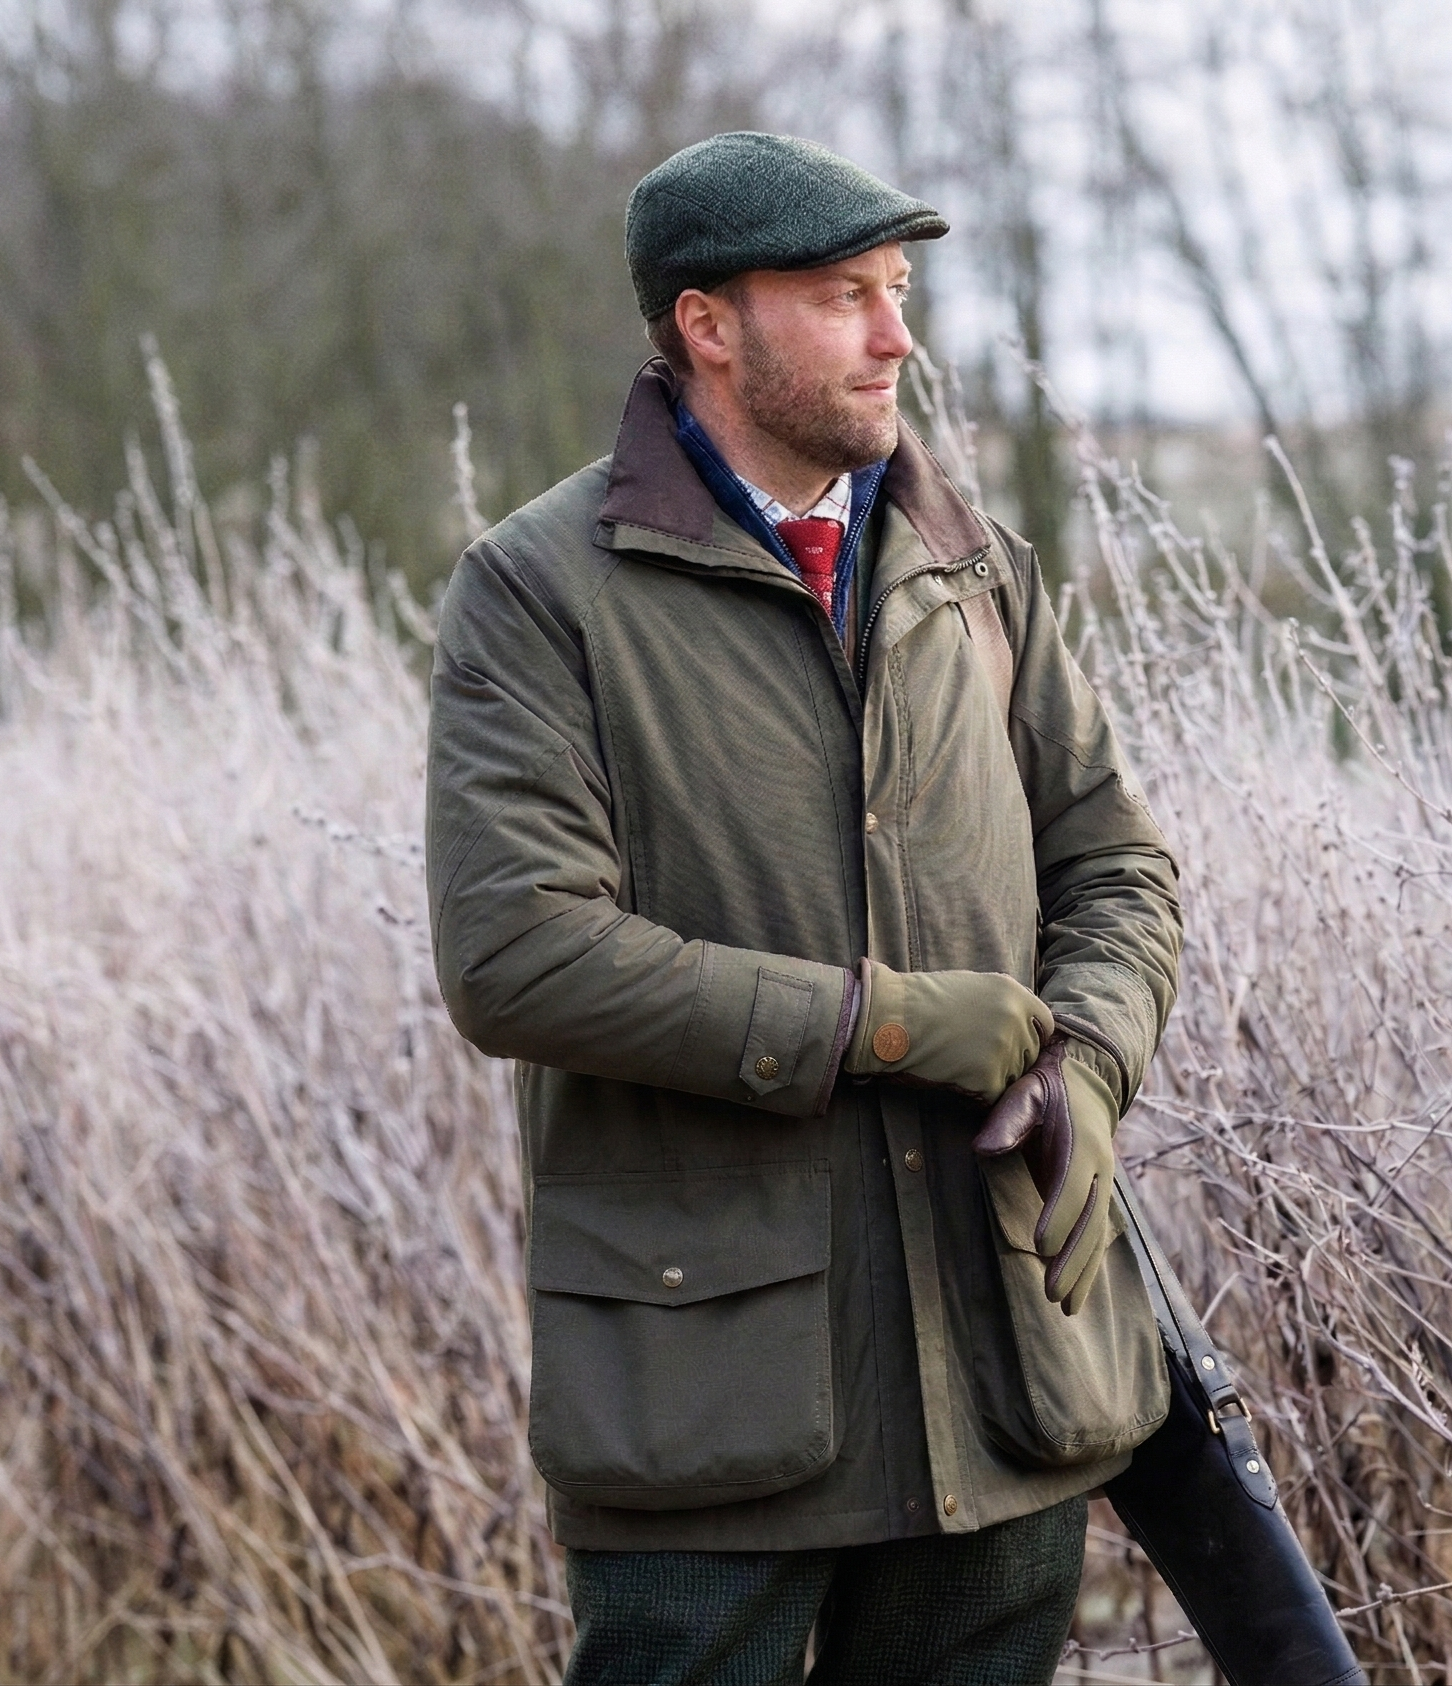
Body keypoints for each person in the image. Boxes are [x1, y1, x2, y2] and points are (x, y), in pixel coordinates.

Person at [424, 130, 1183, 1685]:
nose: (897, 336)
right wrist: (883, 1024)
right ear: (709, 324)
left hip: (1003, 1364)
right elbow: (519, 952)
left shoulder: (976, 569)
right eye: (845, 295)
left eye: (898, 291)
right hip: (713, 1396)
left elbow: (1117, 870)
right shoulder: (542, 589)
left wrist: (1089, 1064)